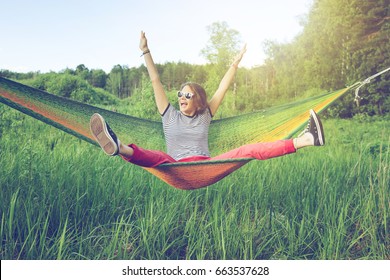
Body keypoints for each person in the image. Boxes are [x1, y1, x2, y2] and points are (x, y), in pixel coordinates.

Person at [90, 31, 325, 168]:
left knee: (248, 149)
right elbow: (155, 81)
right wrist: (146, 51)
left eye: (187, 94)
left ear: (198, 101)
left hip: (206, 167)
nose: (181, 97)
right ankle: (118, 147)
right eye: (180, 94)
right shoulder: (169, 114)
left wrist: (235, 64)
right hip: (175, 168)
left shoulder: (205, 115)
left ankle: (306, 140)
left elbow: (222, 87)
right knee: (159, 157)